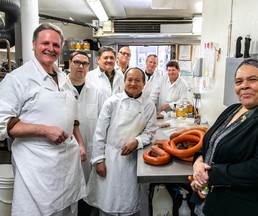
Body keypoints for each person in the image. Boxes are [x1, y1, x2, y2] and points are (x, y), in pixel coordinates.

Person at [0, 23, 86, 216]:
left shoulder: (63, 78)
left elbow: (72, 117)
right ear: (33, 44)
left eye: (56, 45)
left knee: (65, 211)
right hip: (36, 167)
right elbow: (3, 123)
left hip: (65, 164)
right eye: (45, 43)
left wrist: (80, 142)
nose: (51, 48)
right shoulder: (17, 79)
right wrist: (44, 130)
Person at [190, 59, 258, 216]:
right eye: (239, 81)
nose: (244, 85)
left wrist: (210, 174)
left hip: (241, 208)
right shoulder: (232, 109)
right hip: (208, 203)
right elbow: (210, 142)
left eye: (253, 80)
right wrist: (198, 163)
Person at [85, 67, 157, 216]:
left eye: (138, 80)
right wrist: (99, 160)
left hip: (130, 160)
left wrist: (137, 141)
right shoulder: (112, 102)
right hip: (110, 158)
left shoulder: (149, 106)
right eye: (129, 80)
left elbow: (149, 133)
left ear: (144, 83)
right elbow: (99, 133)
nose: (133, 83)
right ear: (124, 82)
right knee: (107, 202)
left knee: (128, 202)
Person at [68, 50, 106, 216]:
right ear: (70, 63)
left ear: (89, 67)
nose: (80, 66)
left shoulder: (95, 91)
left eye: (84, 63)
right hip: (66, 149)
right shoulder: (60, 88)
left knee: (88, 190)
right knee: (68, 189)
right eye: (77, 62)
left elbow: (103, 123)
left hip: (89, 148)